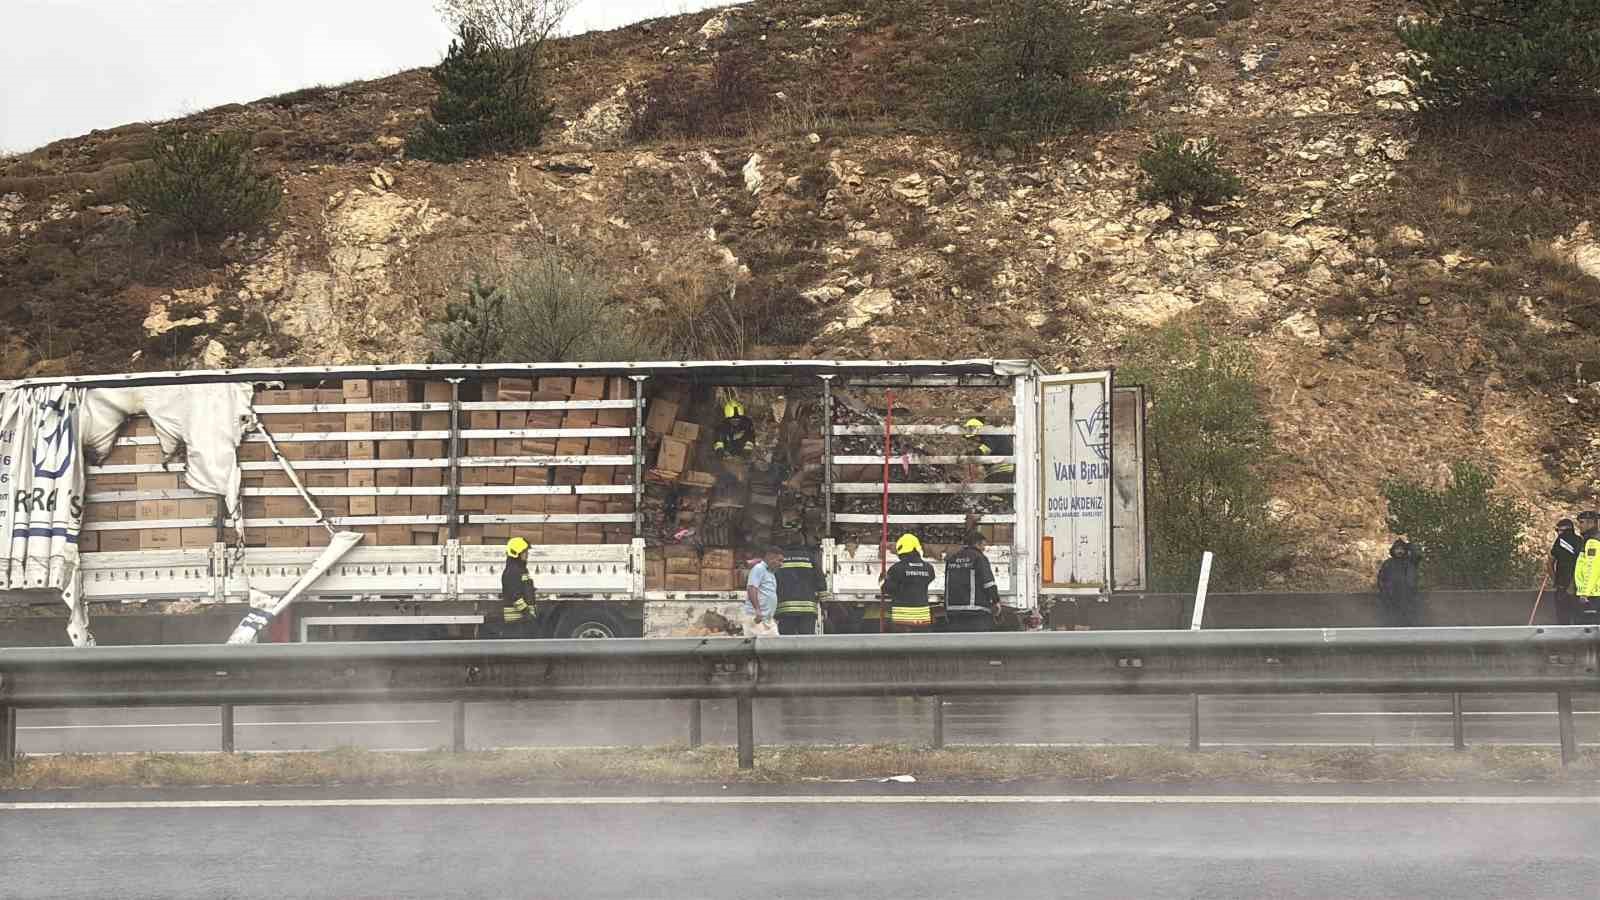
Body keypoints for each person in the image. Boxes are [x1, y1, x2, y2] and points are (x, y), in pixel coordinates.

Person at [944, 532, 1001, 632]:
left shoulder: (952, 559)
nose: (984, 549)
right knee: (978, 645)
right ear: (977, 544)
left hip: (953, 613)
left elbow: (947, 584)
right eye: (983, 545)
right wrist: (996, 601)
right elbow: (988, 583)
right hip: (976, 614)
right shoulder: (979, 558)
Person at [882, 533, 937, 633]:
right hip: (922, 618)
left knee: (903, 648)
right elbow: (930, 579)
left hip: (902, 620)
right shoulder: (929, 568)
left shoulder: (896, 568)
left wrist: (883, 579)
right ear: (916, 547)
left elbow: (887, 589)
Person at [775, 545, 824, 635]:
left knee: (786, 641)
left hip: (786, 608)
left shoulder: (780, 558)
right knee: (806, 640)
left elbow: (773, 579)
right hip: (807, 608)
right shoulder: (810, 557)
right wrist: (823, 601)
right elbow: (820, 578)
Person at [497, 536, 538, 637]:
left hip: (522, 620)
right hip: (517, 621)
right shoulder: (512, 571)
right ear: (516, 553)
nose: (527, 554)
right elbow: (514, 595)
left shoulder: (520, 569)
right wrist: (526, 612)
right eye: (524, 552)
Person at [1376, 538, 1420, 627]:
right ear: (1393, 550)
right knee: (1391, 619)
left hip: (1407, 596)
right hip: (1390, 596)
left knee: (1407, 620)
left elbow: (1417, 556)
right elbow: (1380, 578)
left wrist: (1409, 546)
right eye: (1397, 549)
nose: (1399, 551)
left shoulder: (1409, 562)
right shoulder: (1387, 563)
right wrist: (1385, 590)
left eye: (1401, 549)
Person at [1548, 518, 1582, 625]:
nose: (1557, 533)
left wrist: (1555, 581)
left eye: (1558, 530)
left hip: (1563, 586)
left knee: (1563, 619)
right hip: (1579, 587)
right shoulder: (1581, 540)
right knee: (1578, 618)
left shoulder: (1560, 541)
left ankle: (1565, 640)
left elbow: (1549, 563)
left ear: (1565, 529)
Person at [743, 547, 782, 636]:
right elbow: (752, 588)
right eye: (779, 560)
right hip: (757, 618)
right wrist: (757, 610)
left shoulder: (771, 573)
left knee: (775, 646)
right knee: (758, 647)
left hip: (767, 620)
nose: (781, 564)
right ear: (770, 557)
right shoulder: (759, 568)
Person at [961, 418, 1015, 482]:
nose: (975, 441)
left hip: (1000, 471)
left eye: (974, 438)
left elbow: (987, 447)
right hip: (1006, 470)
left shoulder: (987, 435)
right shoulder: (994, 433)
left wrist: (975, 454)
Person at [1574, 511, 1600, 625]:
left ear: (1591, 523)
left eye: (1581, 522)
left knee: (1588, 629)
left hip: (1593, 594)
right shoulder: (1590, 540)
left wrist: (1585, 592)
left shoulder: (1593, 542)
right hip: (1593, 593)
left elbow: (1592, 567)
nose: (1579, 525)